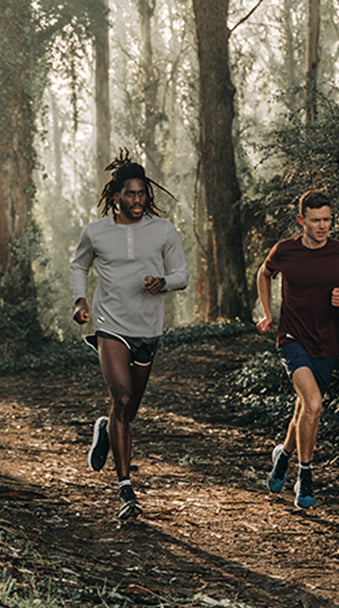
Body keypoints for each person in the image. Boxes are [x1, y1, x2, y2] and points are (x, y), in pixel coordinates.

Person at [70, 148, 189, 519]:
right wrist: (79, 301)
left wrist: (163, 282)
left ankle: (106, 428)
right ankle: (126, 491)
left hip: (148, 328)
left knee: (129, 410)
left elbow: (182, 276)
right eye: (130, 193)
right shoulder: (97, 232)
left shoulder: (163, 230)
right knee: (121, 398)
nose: (137, 200)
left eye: (142, 194)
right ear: (116, 195)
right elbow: (79, 265)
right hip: (110, 324)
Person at [256, 190, 339, 510]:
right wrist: (267, 313)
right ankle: (305, 477)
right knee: (314, 404)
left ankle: (283, 455)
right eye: (316, 220)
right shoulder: (285, 251)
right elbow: (264, 273)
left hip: (328, 341)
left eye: (327, 219)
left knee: (305, 408)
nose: (323, 226)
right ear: (301, 220)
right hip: (292, 338)